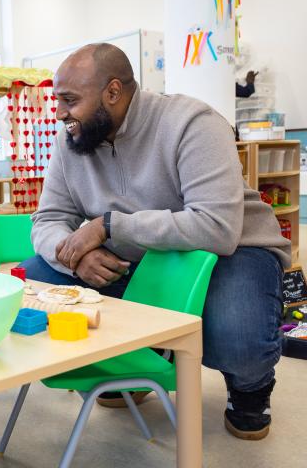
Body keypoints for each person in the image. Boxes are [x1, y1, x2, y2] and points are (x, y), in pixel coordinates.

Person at [22, 43, 289, 440]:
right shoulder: (70, 142)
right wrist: (76, 258)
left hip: (230, 251)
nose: (60, 113)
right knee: (39, 275)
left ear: (113, 92)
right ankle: (136, 358)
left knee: (236, 338)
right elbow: (48, 220)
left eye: (70, 100)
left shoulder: (192, 123)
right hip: (135, 256)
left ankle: (250, 385)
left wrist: (110, 226)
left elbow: (216, 226)